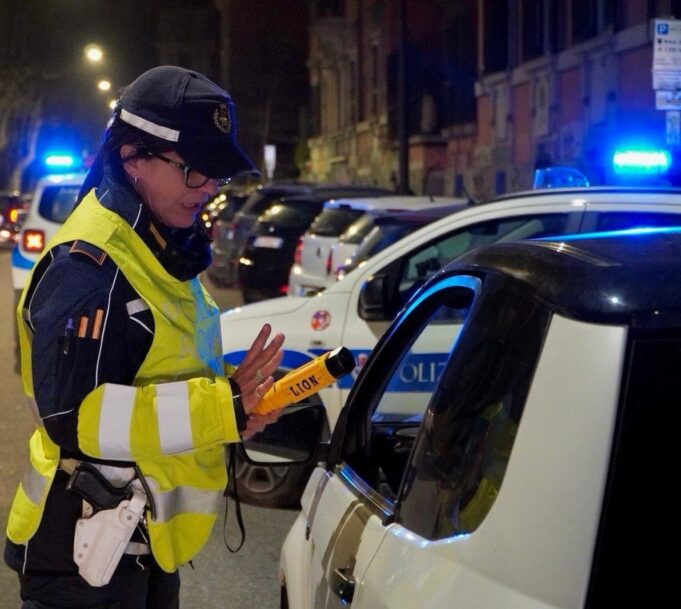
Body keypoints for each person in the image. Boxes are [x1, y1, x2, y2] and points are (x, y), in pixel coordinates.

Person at [4, 65, 285, 609]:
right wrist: (221, 404)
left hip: (137, 543)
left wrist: (234, 407)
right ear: (132, 157)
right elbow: (75, 418)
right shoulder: (91, 266)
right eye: (193, 171)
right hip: (84, 558)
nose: (207, 189)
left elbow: (156, 378)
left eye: (217, 175)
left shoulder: (156, 245)